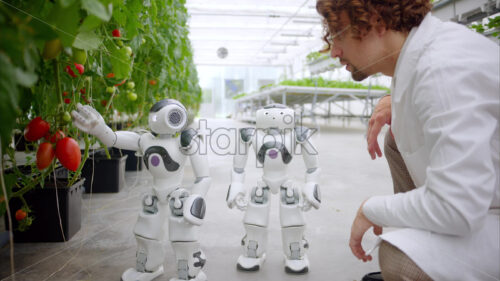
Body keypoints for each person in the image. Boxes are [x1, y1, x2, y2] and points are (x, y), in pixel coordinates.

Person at [316, 1, 499, 280]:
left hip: (476, 209)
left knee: (401, 259)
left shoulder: (442, 68)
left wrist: (371, 210)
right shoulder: (423, 55)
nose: (334, 51)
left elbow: (457, 207)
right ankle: (421, 239)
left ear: (376, 21)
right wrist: (396, 103)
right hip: (484, 200)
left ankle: (420, 257)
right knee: (396, 136)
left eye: (338, 33)